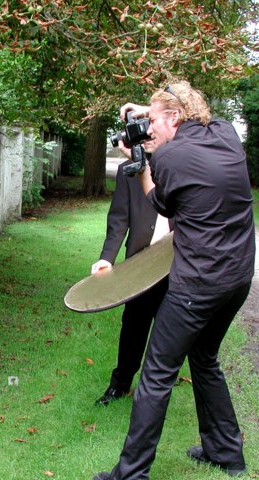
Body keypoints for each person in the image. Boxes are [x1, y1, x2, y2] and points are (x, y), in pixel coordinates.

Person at [93, 80, 255, 479]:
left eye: (154, 121)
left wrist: (142, 165)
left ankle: (130, 474)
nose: (149, 130)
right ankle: (226, 454)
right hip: (238, 279)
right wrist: (142, 109)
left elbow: (155, 199)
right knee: (204, 358)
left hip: (197, 284)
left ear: (175, 117)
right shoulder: (226, 134)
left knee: (157, 373)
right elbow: (186, 117)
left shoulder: (171, 158)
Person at [92, 140, 168, 406]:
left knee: (168, 332)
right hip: (140, 265)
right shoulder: (128, 170)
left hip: (178, 265)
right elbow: (118, 219)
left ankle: (153, 394)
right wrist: (106, 258)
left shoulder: (181, 167)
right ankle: (120, 385)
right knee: (133, 326)